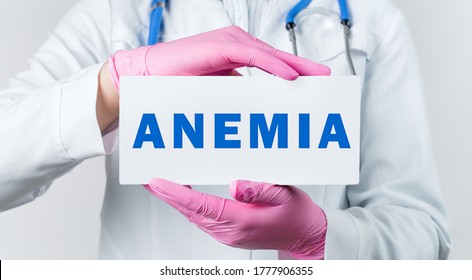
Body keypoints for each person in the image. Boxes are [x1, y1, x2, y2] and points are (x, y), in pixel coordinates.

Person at [0, 0, 451, 259]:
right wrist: (113, 83)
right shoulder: (118, 13)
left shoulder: (371, 21)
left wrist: (323, 238)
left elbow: (423, 232)